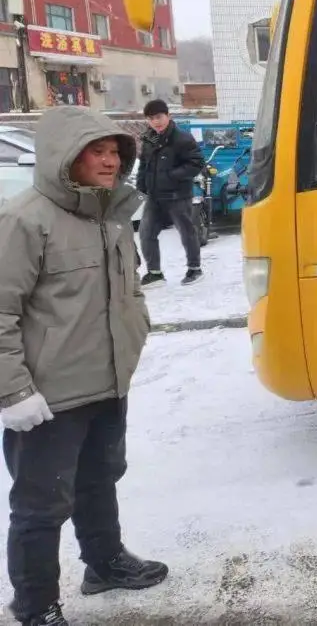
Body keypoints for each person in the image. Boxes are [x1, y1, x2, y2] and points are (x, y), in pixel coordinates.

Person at [0, 106, 168, 626]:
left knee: (101, 478)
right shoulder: (25, 219)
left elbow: (128, 289)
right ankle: (36, 606)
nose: (110, 160)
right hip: (48, 397)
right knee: (41, 505)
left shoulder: (111, 215)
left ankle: (104, 564)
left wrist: (135, 329)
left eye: (115, 151)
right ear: (63, 157)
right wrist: (12, 393)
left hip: (107, 380)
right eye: (97, 150)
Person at [135, 99, 205, 287]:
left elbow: (196, 163)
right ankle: (155, 273)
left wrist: (171, 176)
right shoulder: (149, 139)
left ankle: (194, 268)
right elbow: (144, 164)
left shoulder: (182, 138)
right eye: (151, 119)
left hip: (177, 196)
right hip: (154, 196)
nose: (155, 122)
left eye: (159, 117)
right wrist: (141, 185)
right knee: (146, 232)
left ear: (168, 116)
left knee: (186, 232)